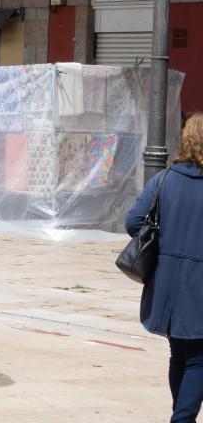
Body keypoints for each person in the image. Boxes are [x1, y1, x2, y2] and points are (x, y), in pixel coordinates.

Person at [126, 113, 203, 422]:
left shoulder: (163, 180)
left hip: (168, 285)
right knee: (198, 359)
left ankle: (179, 415)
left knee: (181, 354)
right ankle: (181, 419)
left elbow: (133, 222)